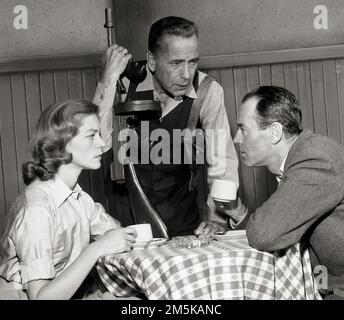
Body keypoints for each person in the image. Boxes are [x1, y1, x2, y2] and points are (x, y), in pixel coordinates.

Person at [93, 16, 239, 237]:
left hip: (185, 224)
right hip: (125, 227)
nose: (186, 75)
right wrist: (109, 78)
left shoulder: (207, 90)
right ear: (152, 60)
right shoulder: (121, 86)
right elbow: (95, 143)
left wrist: (217, 218)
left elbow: (222, 163)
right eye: (176, 63)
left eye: (193, 62)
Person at [0, 99, 137, 300]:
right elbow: (40, 298)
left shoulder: (80, 198)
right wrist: (96, 248)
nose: (103, 143)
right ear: (62, 145)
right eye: (92, 136)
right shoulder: (37, 210)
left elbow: (116, 234)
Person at [225, 85, 344, 300]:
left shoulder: (315, 159)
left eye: (243, 129)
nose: (236, 139)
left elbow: (264, 232)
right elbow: (284, 228)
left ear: (275, 133)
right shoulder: (299, 160)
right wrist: (237, 214)